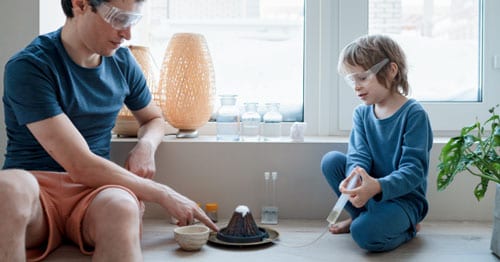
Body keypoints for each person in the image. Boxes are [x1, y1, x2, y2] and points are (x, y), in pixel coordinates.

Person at [0, 0, 218, 261]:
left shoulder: (123, 63)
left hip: (94, 192)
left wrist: (146, 147)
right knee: (8, 188)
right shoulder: (29, 66)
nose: (127, 34)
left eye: (132, 21)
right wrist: (164, 194)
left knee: (122, 207)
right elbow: (80, 164)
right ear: (80, 4)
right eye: (119, 19)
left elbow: (153, 118)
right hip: (35, 187)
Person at [320, 34, 433, 252]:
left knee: (363, 233)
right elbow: (357, 156)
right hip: (371, 193)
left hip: (403, 200)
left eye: (362, 78)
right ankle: (365, 216)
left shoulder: (413, 114)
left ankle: (408, 227)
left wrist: (378, 186)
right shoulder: (362, 114)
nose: (356, 87)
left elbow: (414, 170)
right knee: (331, 161)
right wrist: (355, 182)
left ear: (391, 71)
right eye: (352, 80)